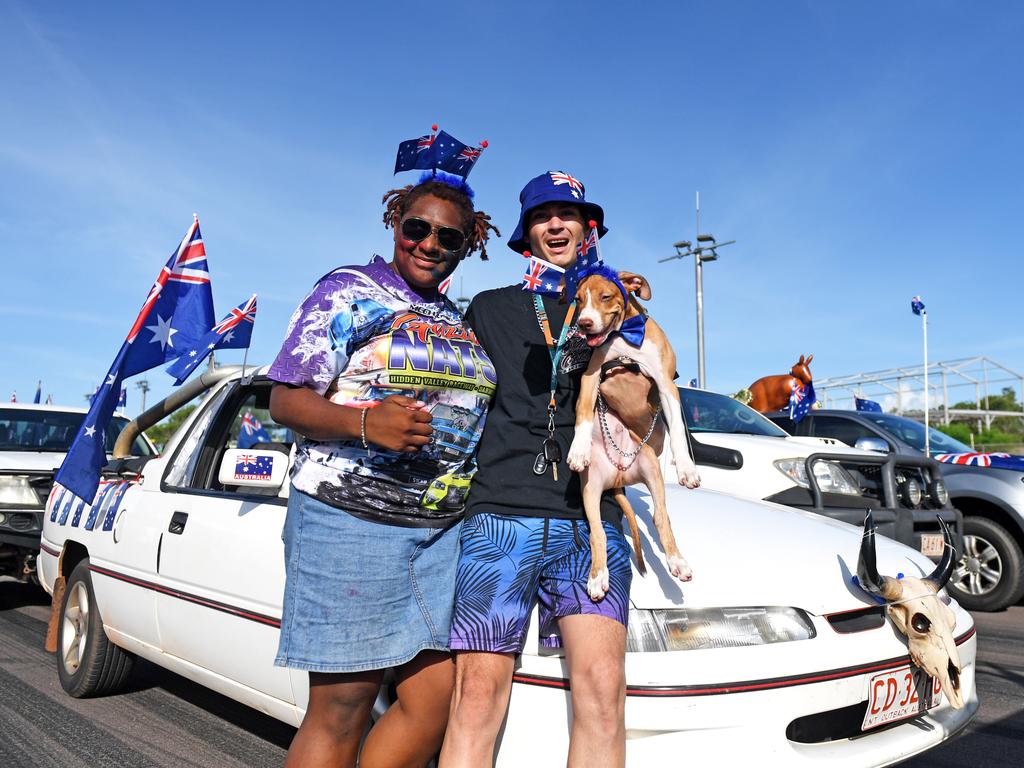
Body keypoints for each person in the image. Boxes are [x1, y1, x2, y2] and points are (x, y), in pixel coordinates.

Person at [267, 170, 499, 768]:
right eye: (416, 228)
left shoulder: (458, 318)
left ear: (469, 245)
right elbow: (286, 399)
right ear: (395, 223)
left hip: (441, 533)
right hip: (350, 520)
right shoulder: (348, 290)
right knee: (342, 710)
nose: (429, 244)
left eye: (448, 238)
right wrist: (366, 424)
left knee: (436, 702)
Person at [440, 171, 634, 767]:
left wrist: (617, 350)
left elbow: (642, 419)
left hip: (588, 523)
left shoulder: (614, 309)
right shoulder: (492, 308)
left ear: (588, 228)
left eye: (568, 214)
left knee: (603, 699)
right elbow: (454, 407)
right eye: (542, 216)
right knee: (476, 697)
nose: (556, 224)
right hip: (500, 518)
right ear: (526, 234)